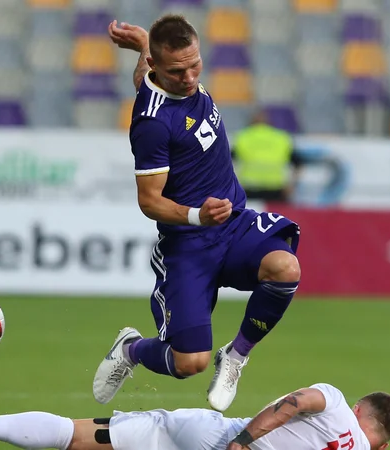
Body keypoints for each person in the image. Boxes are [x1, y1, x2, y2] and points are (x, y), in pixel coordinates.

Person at [92, 15, 302, 412]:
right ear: (158, 66)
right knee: (189, 362)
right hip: (189, 242)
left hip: (234, 224)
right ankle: (131, 350)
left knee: (285, 268)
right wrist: (196, 216)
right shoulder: (151, 124)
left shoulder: (165, 75)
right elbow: (149, 200)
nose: (189, 77)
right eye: (177, 70)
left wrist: (142, 46)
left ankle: (236, 356)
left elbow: (145, 81)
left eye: (194, 65)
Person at [0, 383, 390, 450]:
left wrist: (244, 441)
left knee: (78, 436)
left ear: (361, 409)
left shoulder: (338, 402)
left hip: (209, 436)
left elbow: (297, 403)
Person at [232, 108, 304, 204]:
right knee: (276, 218)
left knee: (251, 218)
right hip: (277, 189)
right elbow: (298, 164)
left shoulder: (242, 137)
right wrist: (291, 185)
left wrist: (233, 187)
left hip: (250, 188)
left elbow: (226, 164)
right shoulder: (282, 137)